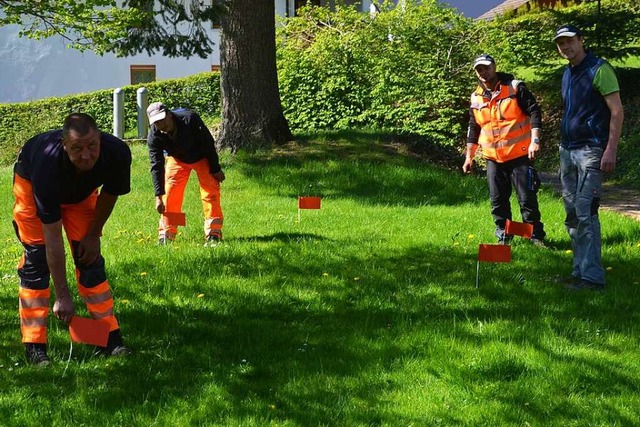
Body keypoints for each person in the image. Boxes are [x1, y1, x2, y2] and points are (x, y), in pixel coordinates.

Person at [12, 113, 132, 366]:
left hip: (80, 195)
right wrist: (62, 295)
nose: (86, 155)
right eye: (77, 148)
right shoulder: (47, 165)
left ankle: (107, 338)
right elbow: (52, 236)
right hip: (32, 188)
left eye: (92, 146)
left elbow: (110, 194)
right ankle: (35, 346)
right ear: (64, 145)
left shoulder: (117, 153)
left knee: (89, 261)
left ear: (100, 139)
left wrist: (93, 234)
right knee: (37, 262)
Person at [554, 25, 624, 291]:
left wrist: (611, 149)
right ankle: (579, 271)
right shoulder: (567, 72)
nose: (566, 47)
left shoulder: (599, 69)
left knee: (587, 212)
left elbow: (616, 112)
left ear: (581, 41)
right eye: (561, 43)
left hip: (592, 150)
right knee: (571, 214)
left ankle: (593, 278)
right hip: (568, 149)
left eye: (570, 41)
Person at [462, 54, 546, 245]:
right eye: (479, 69)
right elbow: (473, 127)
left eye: (486, 67)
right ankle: (504, 236)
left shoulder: (515, 87)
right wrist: (469, 157)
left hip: (520, 154)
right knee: (497, 201)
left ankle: (534, 237)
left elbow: (534, 111)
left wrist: (535, 140)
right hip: (493, 157)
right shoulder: (475, 97)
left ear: (495, 66)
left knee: (527, 199)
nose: (483, 72)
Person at [146, 102, 225, 246]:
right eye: (157, 122)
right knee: (171, 196)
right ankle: (168, 234)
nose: (161, 125)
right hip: (177, 159)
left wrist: (215, 169)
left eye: (162, 119)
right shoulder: (154, 135)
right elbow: (156, 165)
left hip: (201, 157)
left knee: (210, 193)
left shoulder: (190, 119)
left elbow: (208, 143)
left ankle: (213, 234)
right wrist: (158, 195)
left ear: (169, 114)